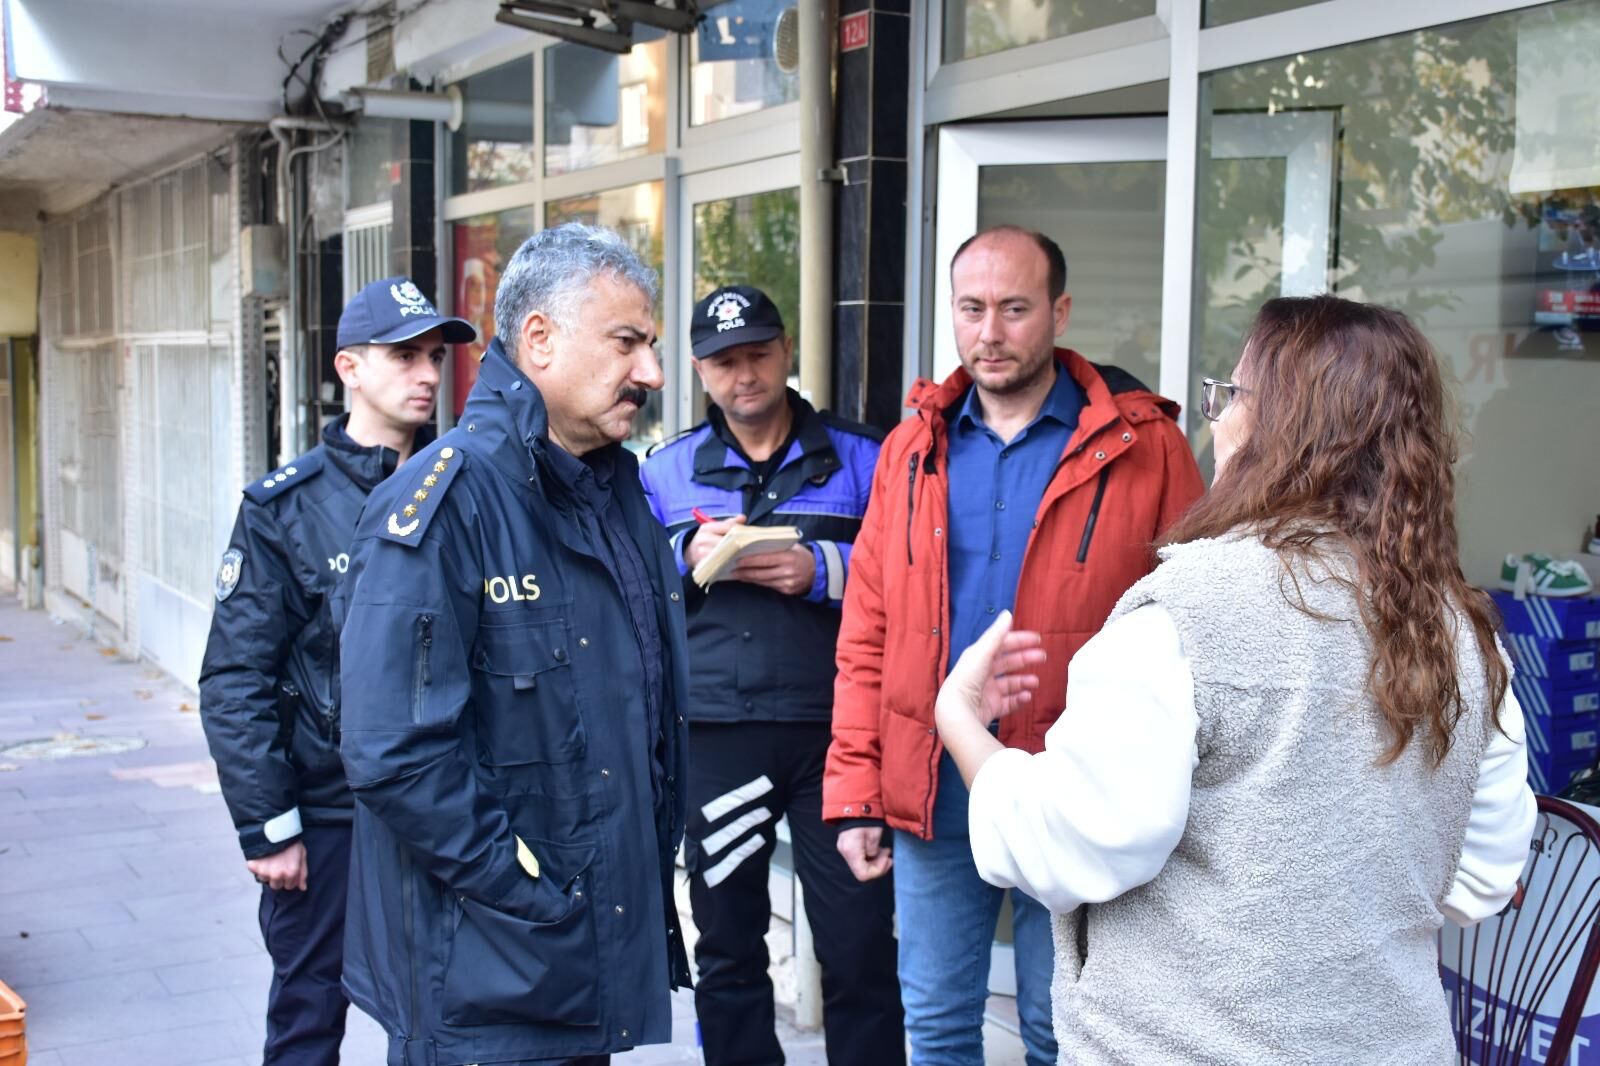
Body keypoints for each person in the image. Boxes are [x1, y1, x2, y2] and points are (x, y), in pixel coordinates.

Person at [937, 294, 1539, 1065]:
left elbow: (1071, 847)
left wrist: (959, 718)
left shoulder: (1185, 613)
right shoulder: (1459, 631)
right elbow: (1478, 876)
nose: (1215, 421)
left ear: (1279, 426)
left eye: (1232, 396)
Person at [824, 224, 1206, 1065]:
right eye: (970, 309)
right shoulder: (910, 451)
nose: (989, 332)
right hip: (934, 782)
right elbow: (869, 633)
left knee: (1060, 1026)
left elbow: (1198, 631)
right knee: (938, 1023)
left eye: (1014, 308)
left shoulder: (1146, 448)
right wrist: (855, 786)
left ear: (1059, 311)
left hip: (1081, 788)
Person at [337, 223, 690, 1066]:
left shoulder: (614, 495)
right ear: (539, 339)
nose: (652, 372)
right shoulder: (445, 502)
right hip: (487, 978)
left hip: (574, 956)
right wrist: (530, 891)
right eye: (628, 343)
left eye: (652, 345)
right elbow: (393, 751)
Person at [198, 276, 474, 1065]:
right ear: (349, 367)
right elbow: (234, 679)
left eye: (434, 356)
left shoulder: (464, 488)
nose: (427, 374)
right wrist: (269, 825)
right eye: (404, 356)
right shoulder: (283, 509)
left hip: (444, 814)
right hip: (329, 823)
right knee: (308, 1021)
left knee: (444, 1022)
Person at [640, 285, 903, 1065]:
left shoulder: (869, 457)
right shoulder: (666, 471)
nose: (743, 374)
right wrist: (681, 559)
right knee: (726, 948)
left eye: (757, 353)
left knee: (857, 950)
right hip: (720, 737)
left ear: (786, 351)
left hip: (841, 740)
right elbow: (627, 580)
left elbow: (914, 574)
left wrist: (821, 567)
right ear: (698, 369)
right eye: (723, 362)